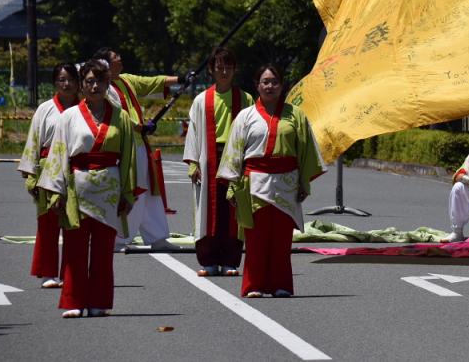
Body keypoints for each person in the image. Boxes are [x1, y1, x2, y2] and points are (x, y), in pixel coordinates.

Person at [36, 59, 136, 318]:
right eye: (89, 81)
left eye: (99, 81)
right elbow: (59, 154)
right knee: (74, 248)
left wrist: (127, 192)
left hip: (109, 189)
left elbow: (128, 157)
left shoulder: (121, 117)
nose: (94, 86)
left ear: (107, 84)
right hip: (76, 189)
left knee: (103, 250)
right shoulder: (68, 116)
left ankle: (99, 301)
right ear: (82, 85)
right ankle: (73, 301)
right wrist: (56, 191)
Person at [217, 64, 326, 298]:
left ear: (282, 85)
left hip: (287, 181)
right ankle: (253, 285)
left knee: (282, 239)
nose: (270, 86)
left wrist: (304, 184)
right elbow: (234, 152)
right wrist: (234, 186)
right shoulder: (245, 116)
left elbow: (306, 151)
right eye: (265, 81)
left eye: (274, 81)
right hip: (254, 182)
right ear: (257, 85)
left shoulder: (296, 115)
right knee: (255, 239)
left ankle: (282, 285)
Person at [94, 47, 184, 249]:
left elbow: (151, 82)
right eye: (116, 57)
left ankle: (157, 236)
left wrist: (180, 78)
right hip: (122, 146)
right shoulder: (103, 89)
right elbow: (116, 116)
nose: (121, 59)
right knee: (131, 189)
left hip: (140, 144)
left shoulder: (126, 80)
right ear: (106, 64)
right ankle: (120, 237)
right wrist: (141, 126)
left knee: (148, 190)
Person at [183, 47, 253, 276]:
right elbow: (193, 132)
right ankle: (208, 260)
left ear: (234, 70)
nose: (224, 71)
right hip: (209, 157)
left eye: (228, 67)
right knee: (208, 211)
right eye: (219, 67)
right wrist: (193, 162)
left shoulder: (245, 98)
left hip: (235, 157)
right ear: (211, 70)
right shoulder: (202, 100)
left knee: (233, 211)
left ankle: (231, 261)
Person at [18, 63, 79, 288]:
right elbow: (33, 141)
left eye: (71, 79)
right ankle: (47, 273)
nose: (67, 84)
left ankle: (71, 273)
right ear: (55, 83)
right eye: (62, 79)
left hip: (75, 171)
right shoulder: (45, 109)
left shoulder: (85, 108)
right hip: (47, 172)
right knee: (48, 224)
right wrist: (31, 175)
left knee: (74, 224)